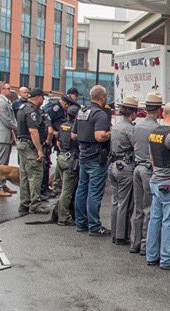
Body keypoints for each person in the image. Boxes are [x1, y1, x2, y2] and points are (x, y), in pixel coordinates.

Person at [72, 85, 112, 236]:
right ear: (103, 97)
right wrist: (110, 133)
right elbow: (100, 136)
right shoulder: (100, 114)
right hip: (96, 157)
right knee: (94, 192)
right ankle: (94, 226)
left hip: (84, 155)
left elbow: (73, 135)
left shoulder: (82, 111)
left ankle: (80, 223)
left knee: (82, 189)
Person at [146, 102, 170, 269]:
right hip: (168, 181)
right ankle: (167, 259)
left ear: (163, 114)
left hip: (155, 180)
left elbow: (152, 157)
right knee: (169, 221)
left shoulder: (154, 132)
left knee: (155, 219)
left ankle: (151, 254)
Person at [129, 92, 163, 254]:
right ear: (159, 110)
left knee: (138, 207)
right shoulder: (156, 129)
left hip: (137, 167)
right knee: (149, 208)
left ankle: (135, 242)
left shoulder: (136, 127)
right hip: (148, 169)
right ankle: (145, 244)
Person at [108, 96, 140, 245]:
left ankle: (115, 233)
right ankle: (122, 235)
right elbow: (137, 147)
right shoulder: (130, 129)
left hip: (113, 165)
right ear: (133, 113)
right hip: (125, 166)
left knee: (116, 201)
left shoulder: (115, 126)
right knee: (125, 203)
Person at [16, 88, 47, 215]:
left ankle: (24, 204)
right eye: (42, 97)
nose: (43, 100)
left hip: (22, 144)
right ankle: (35, 205)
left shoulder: (22, 108)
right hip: (29, 145)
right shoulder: (31, 111)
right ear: (38, 97)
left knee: (24, 175)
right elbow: (33, 131)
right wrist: (39, 150)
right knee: (35, 174)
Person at [54, 104, 80, 226]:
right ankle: (63, 217)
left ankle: (61, 213)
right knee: (67, 191)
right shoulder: (76, 128)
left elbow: (58, 143)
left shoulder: (63, 125)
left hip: (62, 156)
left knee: (63, 188)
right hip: (71, 159)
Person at [0, 81, 18, 198]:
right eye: (8, 88)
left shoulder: (4, 101)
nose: (9, 90)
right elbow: (7, 120)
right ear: (1, 90)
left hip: (5, 136)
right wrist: (19, 128)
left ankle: (2, 185)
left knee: (4, 164)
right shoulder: (0, 102)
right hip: (2, 137)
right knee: (0, 165)